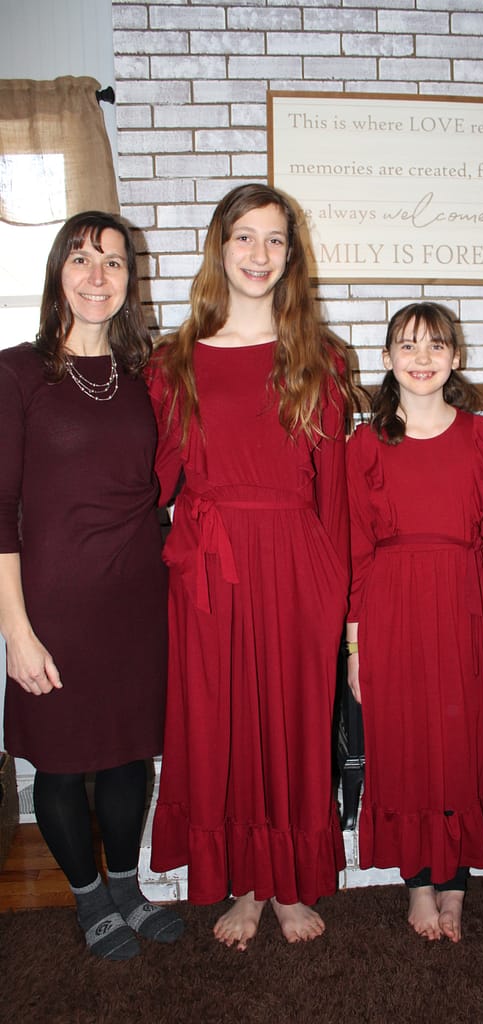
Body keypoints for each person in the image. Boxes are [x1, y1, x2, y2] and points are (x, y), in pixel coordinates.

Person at [148, 183, 362, 949]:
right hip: (207, 568)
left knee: (297, 726)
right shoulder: (173, 362)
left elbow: (335, 494)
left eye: (275, 240)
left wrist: (347, 614)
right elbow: (149, 480)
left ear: (291, 257)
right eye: (244, 237)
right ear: (219, 246)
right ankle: (241, 882)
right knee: (220, 726)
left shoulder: (321, 359)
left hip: (298, 565)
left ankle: (284, 884)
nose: (259, 254)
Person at [0, 211, 184, 960]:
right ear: (58, 274)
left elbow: (166, 481)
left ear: (129, 280)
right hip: (54, 603)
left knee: (125, 755)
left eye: (112, 261)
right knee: (63, 757)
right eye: (81, 259)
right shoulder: (17, 372)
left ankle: (128, 886)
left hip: (136, 598)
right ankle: (87, 897)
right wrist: (16, 629)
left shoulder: (149, 377)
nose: (97, 275)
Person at [345, 302, 483, 943]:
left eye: (436, 345)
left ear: (457, 356)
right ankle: (418, 884)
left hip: (463, 604)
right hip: (391, 609)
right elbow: (356, 553)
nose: (422, 358)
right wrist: (355, 648)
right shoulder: (363, 444)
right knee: (403, 746)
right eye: (408, 346)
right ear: (389, 359)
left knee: (461, 741)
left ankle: (455, 883)